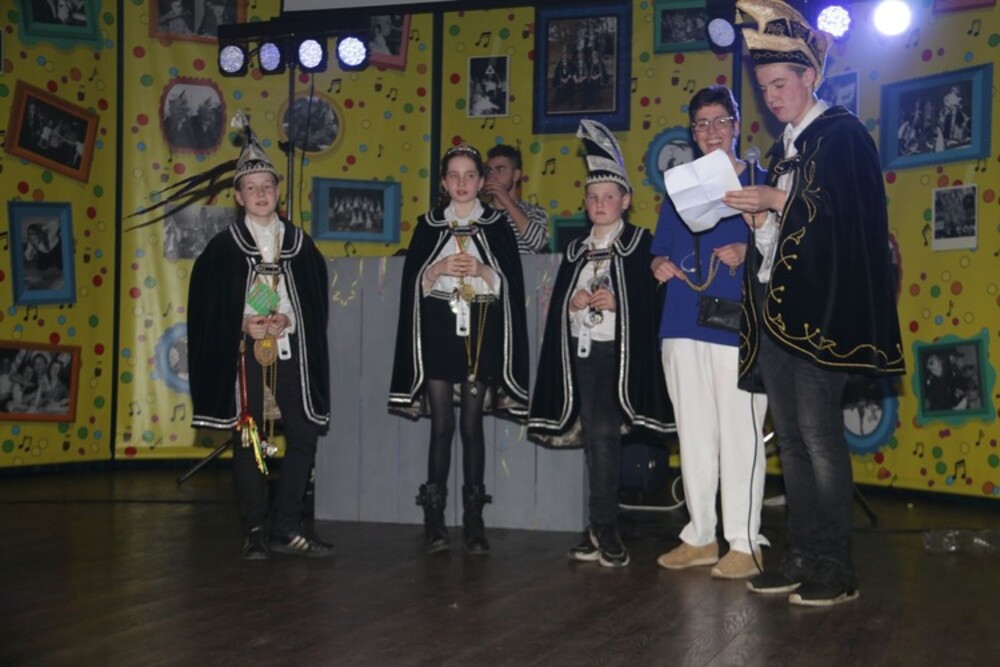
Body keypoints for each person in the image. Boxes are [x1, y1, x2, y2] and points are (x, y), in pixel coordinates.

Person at [722, 0, 905, 606]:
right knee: (793, 442)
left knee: (821, 439)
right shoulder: (784, 151)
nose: (772, 97)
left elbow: (849, 221)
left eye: (780, 84)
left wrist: (777, 200)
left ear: (810, 76)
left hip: (822, 316)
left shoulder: (843, 136)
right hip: (778, 315)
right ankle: (801, 554)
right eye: (764, 88)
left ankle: (836, 565)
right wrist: (761, 222)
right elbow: (784, 241)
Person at [187, 112, 333, 560]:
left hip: (289, 351)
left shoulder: (300, 245)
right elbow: (207, 309)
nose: (261, 194)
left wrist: (287, 319)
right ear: (238, 196)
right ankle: (254, 527)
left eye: (267, 185)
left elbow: (313, 302)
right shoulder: (223, 250)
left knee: (303, 433)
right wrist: (242, 323)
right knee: (248, 436)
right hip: (245, 355)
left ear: (278, 190)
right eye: (251, 188)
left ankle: (286, 525)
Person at [529, 120, 673, 568]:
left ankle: (606, 529)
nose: (600, 204)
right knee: (595, 440)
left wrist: (620, 303)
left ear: (625, 200)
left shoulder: (640, 243)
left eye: (609, 197)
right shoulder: (575, 249)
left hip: (618, 355)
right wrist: (572, 303)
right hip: (582, 352)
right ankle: (599, 527)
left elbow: (655, 301)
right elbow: (560, 305)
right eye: (593, 197)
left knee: (606, 439)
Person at [651, 86, 769, 579]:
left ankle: (745, 542)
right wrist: (657, 264)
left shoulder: (763, 184)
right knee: (694, 434)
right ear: (692, 132)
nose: (711, 131)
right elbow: (659, 250)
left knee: (741, 434)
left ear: (737, 125)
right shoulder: (678, 187)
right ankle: (700, 535)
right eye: (701, 124)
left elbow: (790, 250)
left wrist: (750, 251)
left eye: (720, 121)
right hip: (681, 323)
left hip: (737, 325)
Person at [388, 144, 529, 556]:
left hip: (480, 326)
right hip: (438, 324)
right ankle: (434, 520)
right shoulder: (429, 225)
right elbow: (414, 284)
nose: (462, 183)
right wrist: (436, 269)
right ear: (444, 182)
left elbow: (509, 285)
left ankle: (473, 521)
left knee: (471, 425)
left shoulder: (497, 225)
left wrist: (483, 270)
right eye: (454, 175)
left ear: (482, 180)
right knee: (441, 425)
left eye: (470, 175)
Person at [482, 145, 550, 254]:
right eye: (490, 170)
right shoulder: (479, 213)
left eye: (500, 170)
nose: (493, 176)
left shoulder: (534, 212)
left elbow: (539, 243)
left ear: (516, 175)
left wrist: (507, 202)